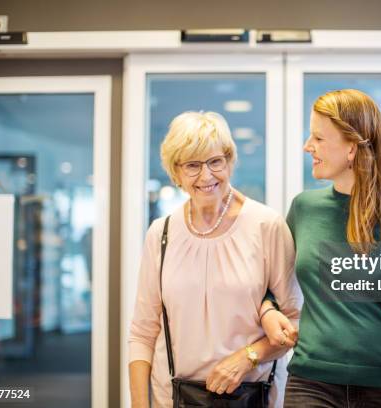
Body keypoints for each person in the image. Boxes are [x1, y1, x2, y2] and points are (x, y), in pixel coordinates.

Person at [260, 89, 381, 408]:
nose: (307, 146)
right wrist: (268, 311)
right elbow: (272, 284)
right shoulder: (304, 209)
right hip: (310, 384)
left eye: (318, 138)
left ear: (352, 148)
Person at [128, 111, 303, 408]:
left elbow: (294, 322)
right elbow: (143, 332)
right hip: (171, 398)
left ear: (229, 161)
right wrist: (138, 404)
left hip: (253, 396)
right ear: (176, 172)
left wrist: (248, 357)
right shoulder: (162, 233)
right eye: (193, 165)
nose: (206, 176)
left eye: (215, 162)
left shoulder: (266, 226)